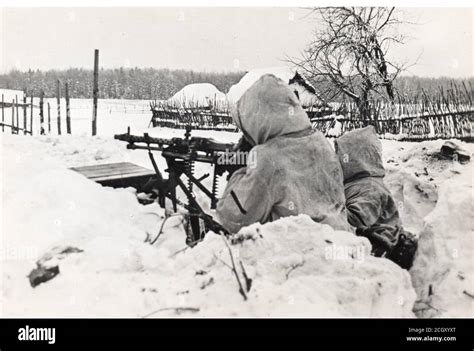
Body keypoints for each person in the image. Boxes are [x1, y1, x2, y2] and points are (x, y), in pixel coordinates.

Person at [216, 74, 350, 233]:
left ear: (257, 119)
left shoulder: (267, 157)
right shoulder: (320, 142)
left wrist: (239, 174)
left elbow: (233, 219)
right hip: (341, 238)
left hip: (297, 251)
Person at [334, 126, 418, 269]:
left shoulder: (370, 187)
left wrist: (331, 210)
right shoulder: (357, 182)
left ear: (355, 158)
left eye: (340, 156)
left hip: (383, 246)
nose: (337, 161)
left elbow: (358, 219)